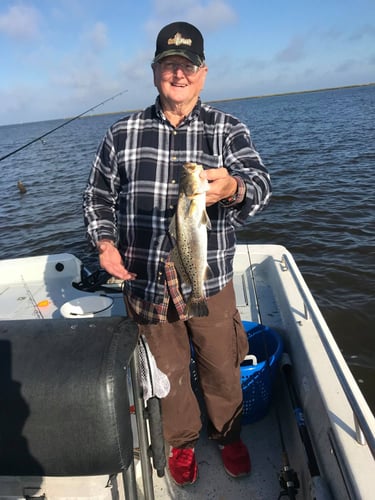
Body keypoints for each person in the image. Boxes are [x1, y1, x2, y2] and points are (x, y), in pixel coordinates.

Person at [83, 21, 271, 486]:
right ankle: (182, 441)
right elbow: (97, 196)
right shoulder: (121, 133)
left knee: (220, 365)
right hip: (146, 282)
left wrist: (233, 186)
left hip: (207, 280)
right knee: (166, 372)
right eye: (169, 65)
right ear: (155, 73)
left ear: (203, 73)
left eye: (187, 66)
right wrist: (104, 245)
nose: (179, 74)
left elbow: (261, 186)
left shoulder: (227, 128)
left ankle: (228, 435)